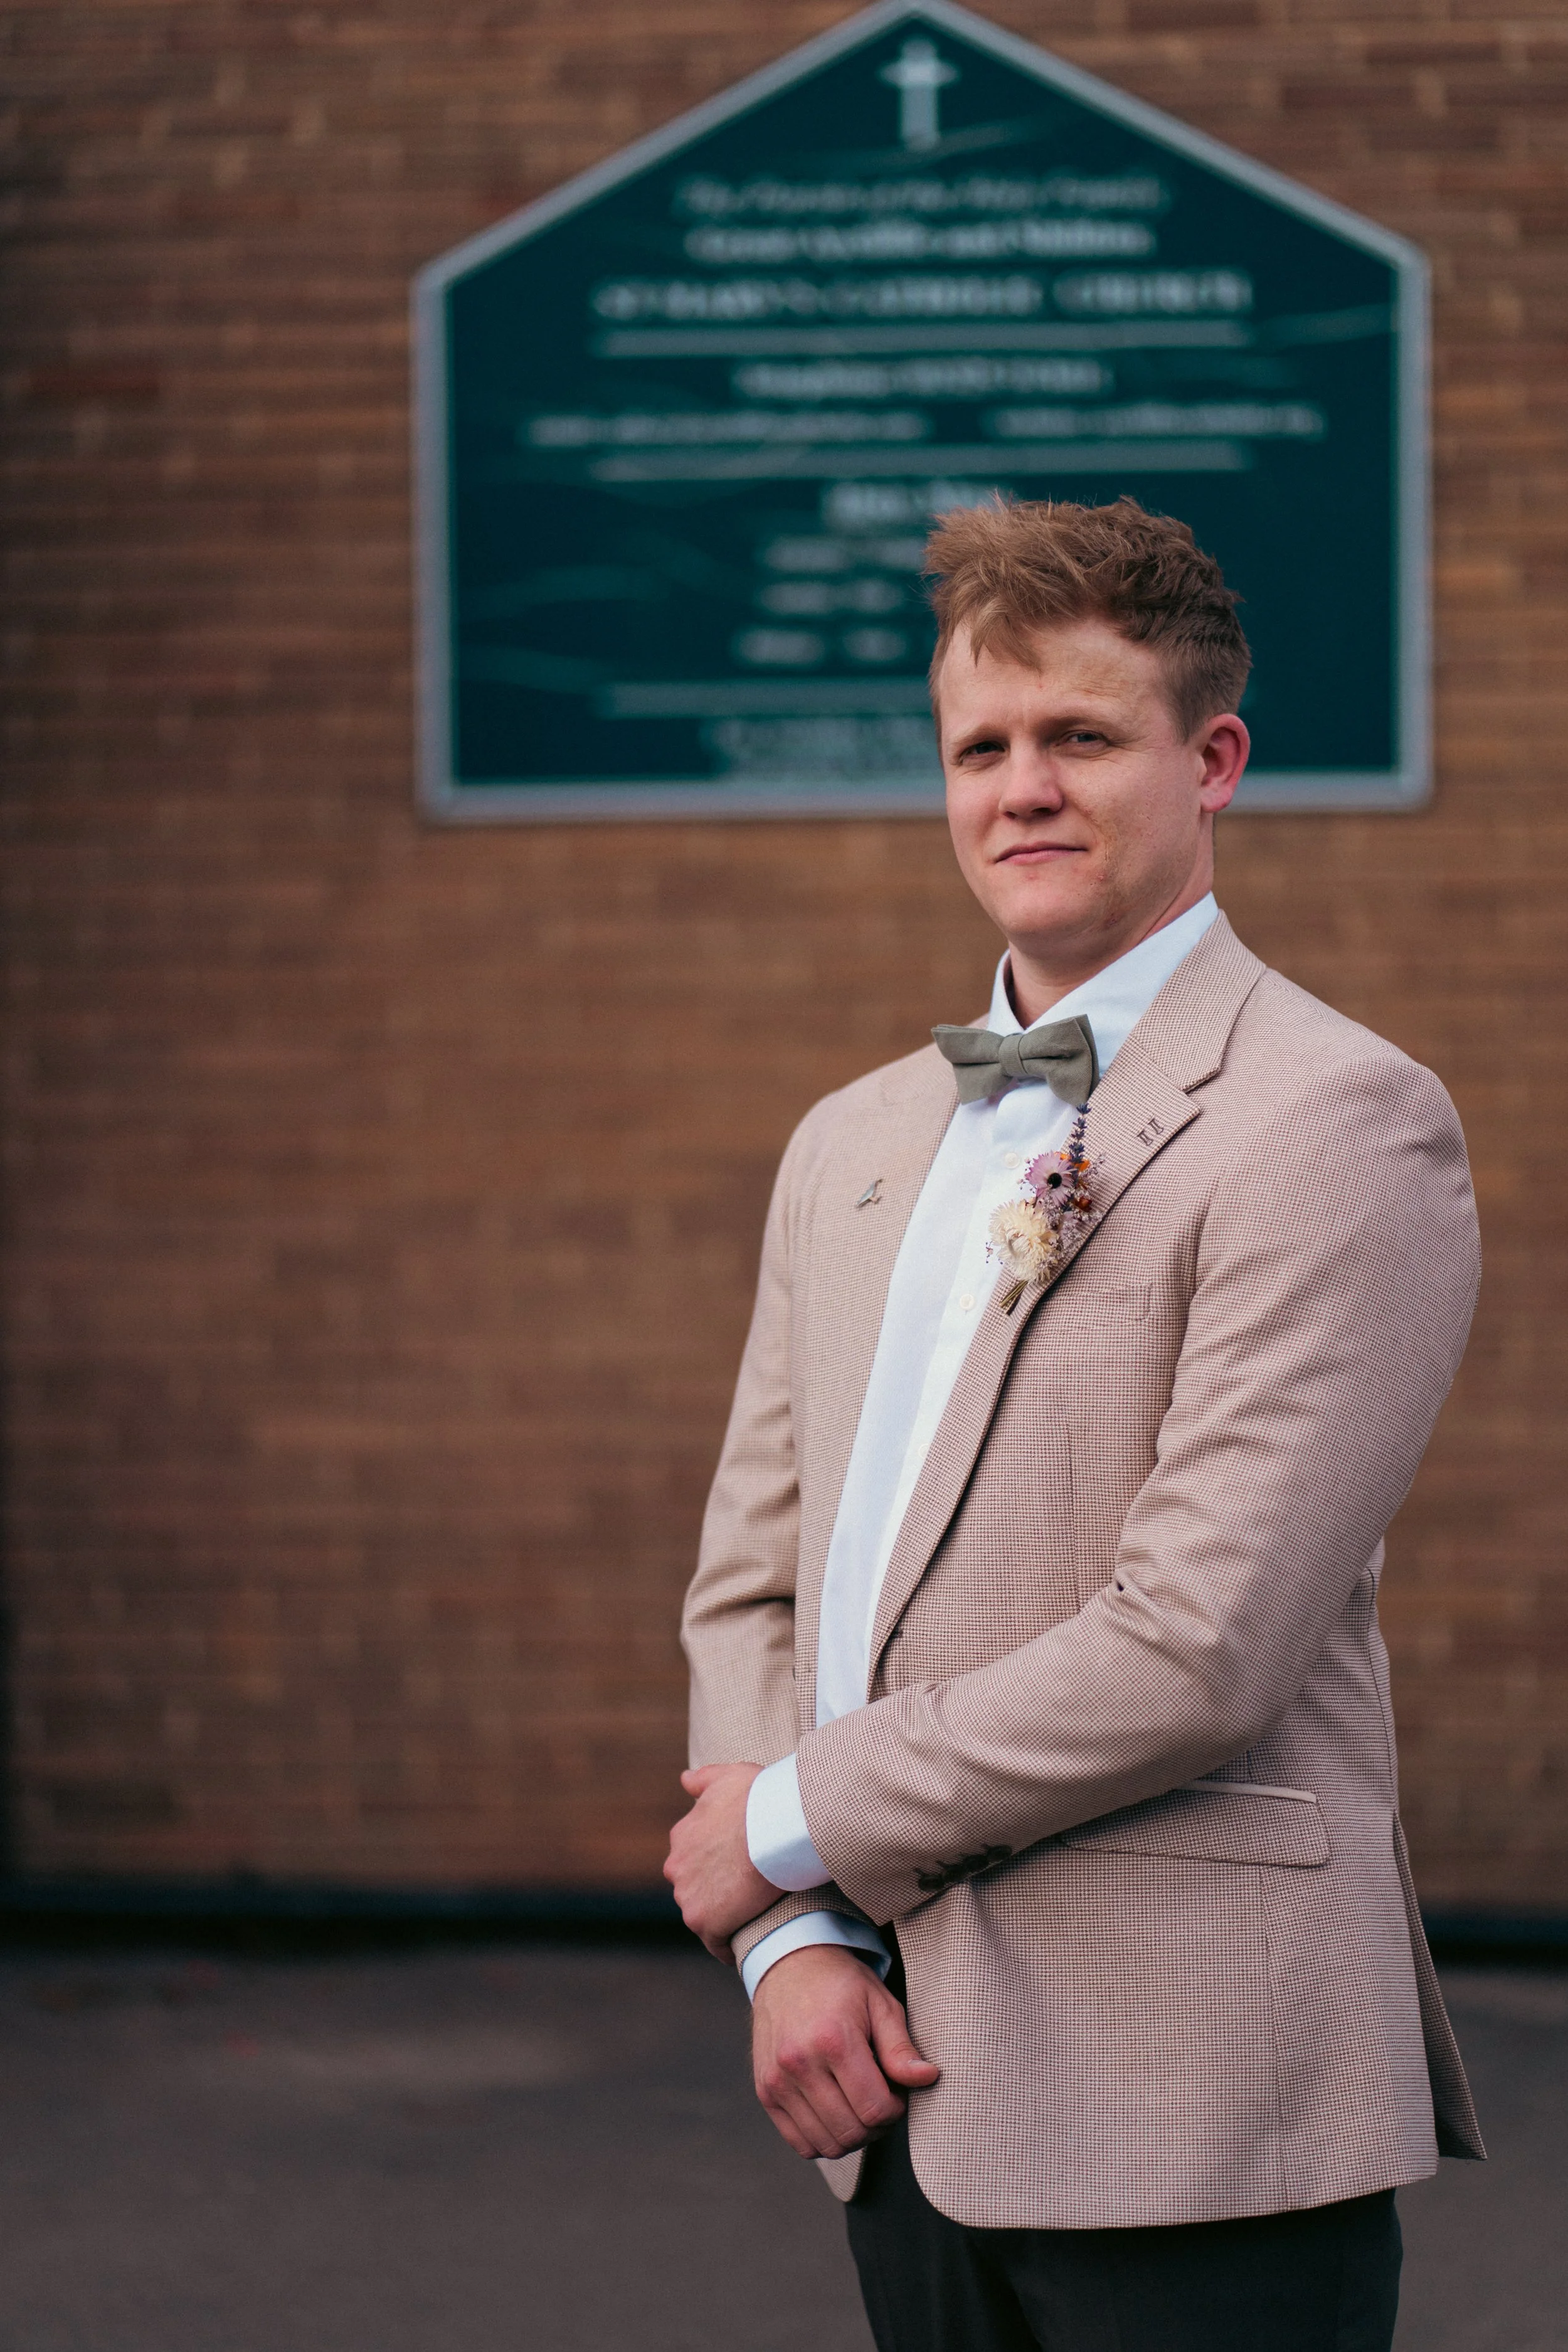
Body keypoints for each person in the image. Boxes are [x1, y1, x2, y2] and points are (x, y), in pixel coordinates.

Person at [666, 495, 1483, 2352]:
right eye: (982, 748)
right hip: (881, 2072)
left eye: (1081, 736)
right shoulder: (852, 1138)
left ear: (1213, 762)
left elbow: (1202, 1645)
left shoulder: (1338, 1120)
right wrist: (790, 1940)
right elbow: (754, 1582)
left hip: (1201, 2095)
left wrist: (784, 1824)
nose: (1022, 788)